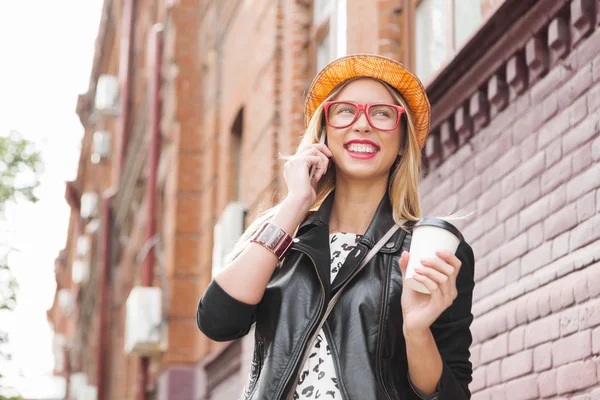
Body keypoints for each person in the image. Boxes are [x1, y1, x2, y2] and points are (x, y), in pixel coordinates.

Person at [196, 54, 475, 400]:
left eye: (382, 114)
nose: (362, 124)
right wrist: (295, 203)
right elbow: (217, 321)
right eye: (345, 111)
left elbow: (452, 394)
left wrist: (417, 332)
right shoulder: (285, 241)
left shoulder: (427, 251)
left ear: (403, 141)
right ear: (325, 131)